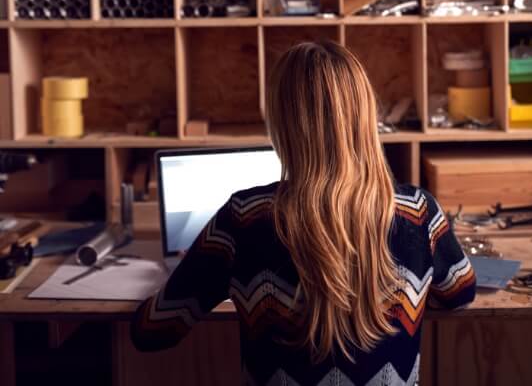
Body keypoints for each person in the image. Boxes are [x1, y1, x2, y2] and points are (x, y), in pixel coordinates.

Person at [131, 41, 475, 384]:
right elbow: (460, 294)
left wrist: (185, 274)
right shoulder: (418, 212)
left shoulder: (243, 218)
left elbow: (153, 332)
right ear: (366, 116)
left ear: (282, 123)